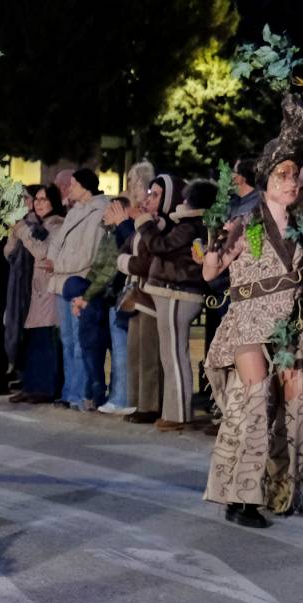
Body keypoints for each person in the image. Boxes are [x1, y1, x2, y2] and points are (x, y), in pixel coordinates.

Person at [201, 120, 303, 528]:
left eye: (295, 176)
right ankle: (241, 499)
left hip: (292, 325)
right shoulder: (243, 220)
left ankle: (282, 491)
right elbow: (209, 272)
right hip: (249, 321)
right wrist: (216, 246)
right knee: (254, 407)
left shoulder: (302, 227)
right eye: (283, 175)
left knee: (296, 413)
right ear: (266, 180)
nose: (292, 183)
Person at [139, 178, 215, 431]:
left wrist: (145, 225)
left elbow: (162, 247)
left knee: (174, 354)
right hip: (177, 293)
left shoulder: (190, 225)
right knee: (172, 354)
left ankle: (179, 413)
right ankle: (174, 410)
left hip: (177, 292)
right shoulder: (194, 224)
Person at [47, 168, 109, 407]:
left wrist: (56, 264)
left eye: (73, 184)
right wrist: (54, 261)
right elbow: (57, 242)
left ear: (85, 187)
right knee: (68, 340)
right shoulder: (75, 211)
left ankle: (82, 393)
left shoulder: (98, 211)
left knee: (81, 342)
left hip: (79, 282)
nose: (69, 188)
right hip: (62, 281)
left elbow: (87, 254)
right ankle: (70, 391)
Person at [5, 184, 63, 403]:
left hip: (45, 291)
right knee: (28, 340)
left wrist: (22, 230)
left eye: (44, 199)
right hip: (25, 292)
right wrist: (15, 232)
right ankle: (30, 385)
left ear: (53, 202)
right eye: (36, 199)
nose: (38, 203)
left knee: (43, 340)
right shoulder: (31, 225)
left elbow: (42, 251)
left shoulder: (57, 225)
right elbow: (9, 254)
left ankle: (44, 388)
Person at [74, 196, 130, 412]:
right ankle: (104, 395)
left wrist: (86, 296)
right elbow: (98, 266)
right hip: (104, 297)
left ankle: (119, 397)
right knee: (106, 348)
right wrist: (84, 295)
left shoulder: (119, 234)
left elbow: (110, 270)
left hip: (117, 297)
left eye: (110, 210)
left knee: (119, 351)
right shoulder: (109, 233)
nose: (104, 213)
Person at [118, 177, 165, 424]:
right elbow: (124, 251)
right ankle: (137, 401)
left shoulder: (161, 225)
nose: (148, 200)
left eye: (155, 195)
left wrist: (127, 263)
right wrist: (126, 262)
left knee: (149, 352)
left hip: (151, 296)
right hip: (136, 293)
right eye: (150, 194)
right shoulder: (144, 225)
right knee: (135, 350)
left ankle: (150, 405)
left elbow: (146, 262)